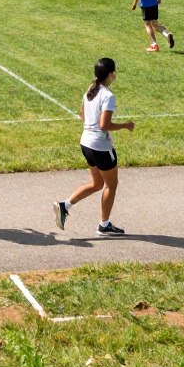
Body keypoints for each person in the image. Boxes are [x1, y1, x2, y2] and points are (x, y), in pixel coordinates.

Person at [53, 57, 133, 236]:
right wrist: (125, 125)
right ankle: (104, 225)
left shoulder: (91, 90)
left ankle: (64, 206)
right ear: (111, 74)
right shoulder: (108, 96)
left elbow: (82, 113)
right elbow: (104, 125)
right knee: (111, 185)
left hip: (86, 142)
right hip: (101, 147)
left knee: (97, 183)